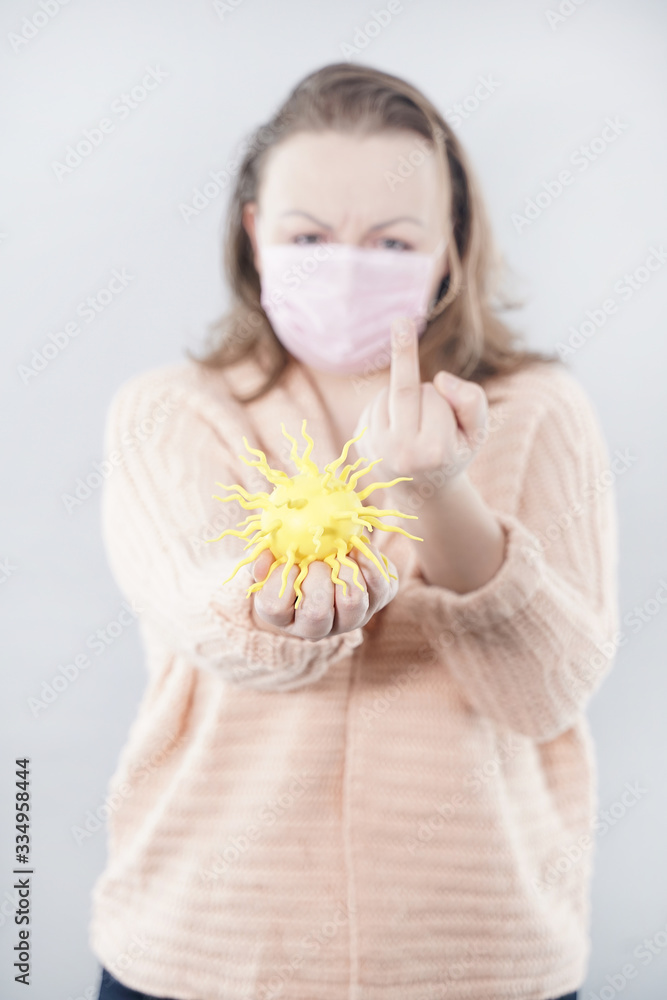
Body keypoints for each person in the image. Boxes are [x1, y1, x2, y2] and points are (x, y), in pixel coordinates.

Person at [89, 62, 619, 1000]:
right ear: (254, 234)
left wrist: (437, 493)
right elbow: (205, 613)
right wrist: (275, 617)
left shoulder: (541, 408)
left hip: (476, 962)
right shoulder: (165, 411)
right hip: (206, 953)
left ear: (449, 249)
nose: (344, 265)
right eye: (307, 236)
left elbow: (550, 693)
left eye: (390, 241)